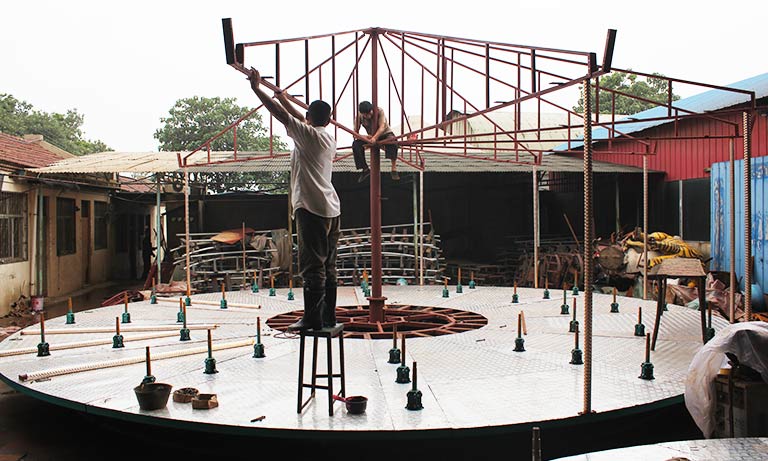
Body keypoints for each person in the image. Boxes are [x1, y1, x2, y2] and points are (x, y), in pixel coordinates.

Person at [247, 67, 341, 331]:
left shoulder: (309, 135)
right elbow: (299, 116)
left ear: (311, 118)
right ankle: (328, 317)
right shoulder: (326, 137)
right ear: (329, 120)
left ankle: (312, 319)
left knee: (312, 267)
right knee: (328, 266)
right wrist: (284, 96)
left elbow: (282, 115)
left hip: (312, 208)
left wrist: (257, 89)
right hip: (331, 210)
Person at [352, 101, 399, 182]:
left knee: (393, 141)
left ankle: (394, 168)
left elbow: (382, 127)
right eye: (365, 115)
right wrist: (366, 137)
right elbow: (355, 133)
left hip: (384, 134)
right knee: (355, 145)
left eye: (369, 113)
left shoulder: (379, 111)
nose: (368, 116)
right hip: (370, 136)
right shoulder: (359, 116)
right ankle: (365, 169)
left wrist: (374, 138)